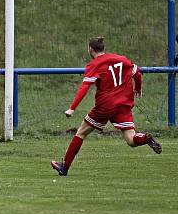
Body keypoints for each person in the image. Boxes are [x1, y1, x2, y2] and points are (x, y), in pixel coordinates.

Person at [51, 36, 161, 176]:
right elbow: (137, 72)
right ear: (103, 48)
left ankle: (64, 167)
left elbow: (84, 87)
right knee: (131, 140)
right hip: (123, 105)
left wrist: (72, 108)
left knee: (81, 133)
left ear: (90, 49)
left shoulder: (95, 64)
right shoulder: (122, 59)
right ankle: (146, 138)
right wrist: (138, 88)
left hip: (105, 106)